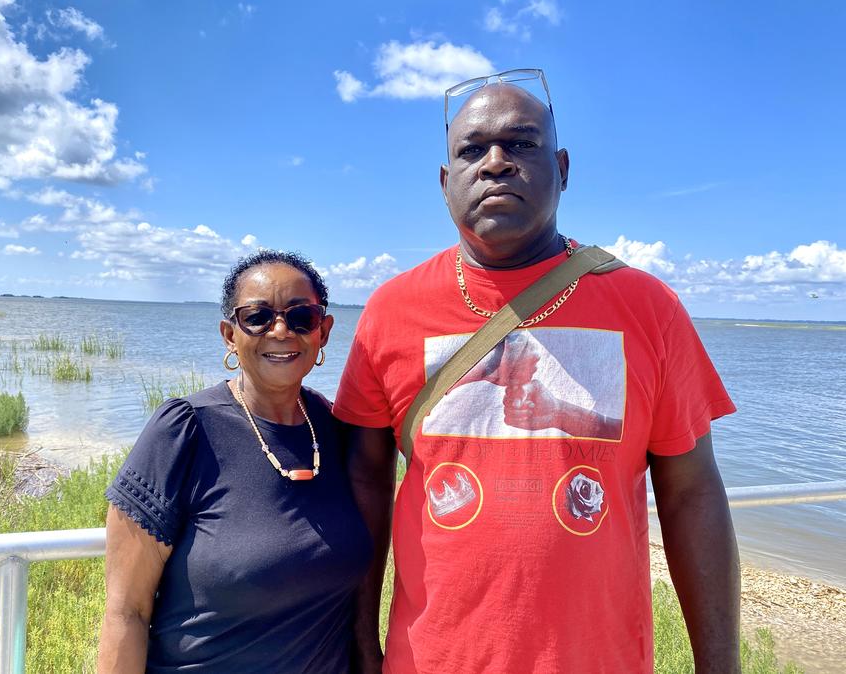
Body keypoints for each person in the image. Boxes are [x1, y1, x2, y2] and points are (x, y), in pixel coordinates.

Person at [334, 72, 740, 673]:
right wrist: (362, 644)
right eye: (472, 150)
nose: (495, 163)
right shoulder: (392, 311)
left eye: (522, 144)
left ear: (564, 168)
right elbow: (365, 485)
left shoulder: (648, 307)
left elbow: (692, 494)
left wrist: (720, 665)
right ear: (446, 185)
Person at [98, 250, 372, 673]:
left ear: (324, 331)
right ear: (230, 334)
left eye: (302, 316)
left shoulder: (334, 429)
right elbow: (125, 613)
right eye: (258, 317)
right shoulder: (185, 430)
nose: (281, 331)